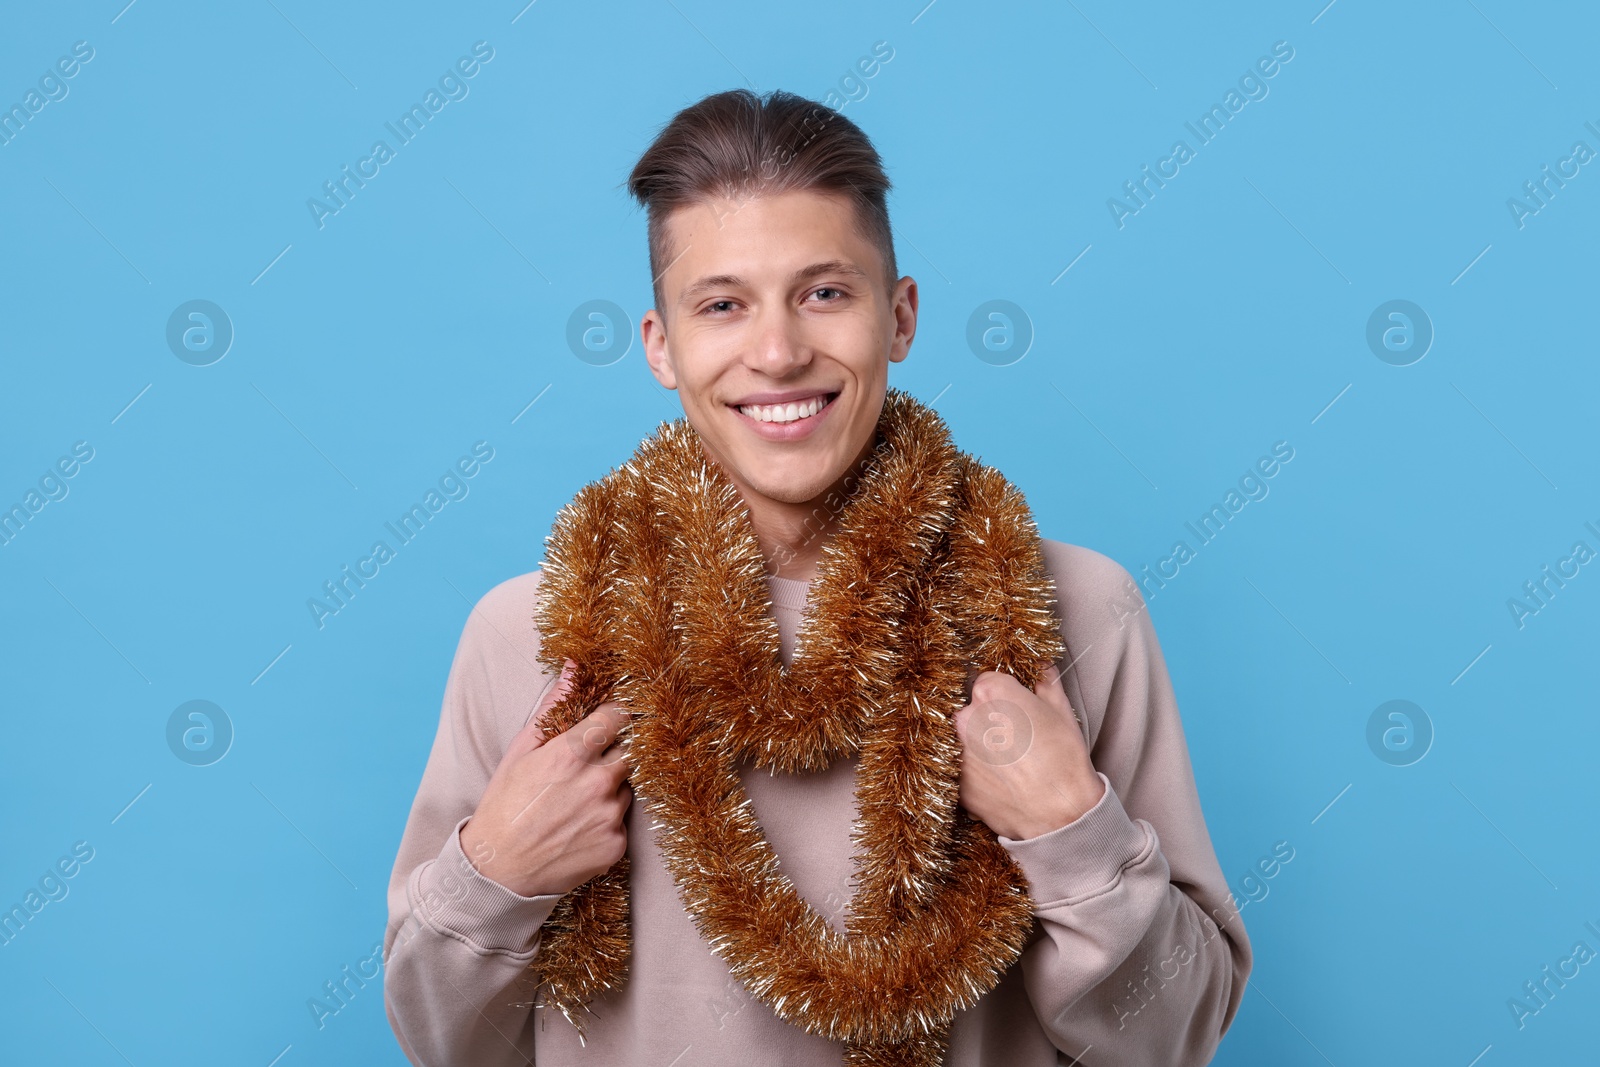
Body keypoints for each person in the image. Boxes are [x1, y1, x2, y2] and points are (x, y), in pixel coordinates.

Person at [383, 88, 1251, 1066]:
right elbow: (440, 1041)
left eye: (824, 292)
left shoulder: (1077, 612)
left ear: (901, 315)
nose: (778, 351)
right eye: (722, 305)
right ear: (661, 346)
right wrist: (496, 874)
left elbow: (1171, 1039)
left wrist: (1069, 828)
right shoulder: (527, 636)